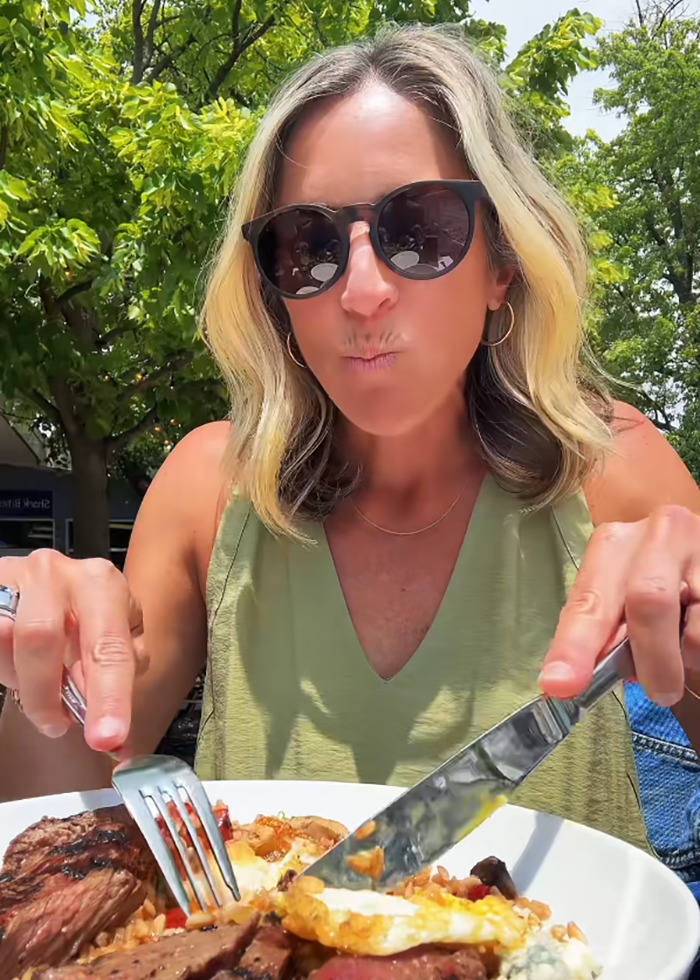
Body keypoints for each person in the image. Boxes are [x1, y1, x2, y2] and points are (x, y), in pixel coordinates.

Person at [0, 26, 699, 855]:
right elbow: (53, 813)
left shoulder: (610, 470)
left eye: (423, 230)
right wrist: (37, 654)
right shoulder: (209, 488)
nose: (362, 293)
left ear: (502, 265)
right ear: (273, 294)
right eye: (309, 247)